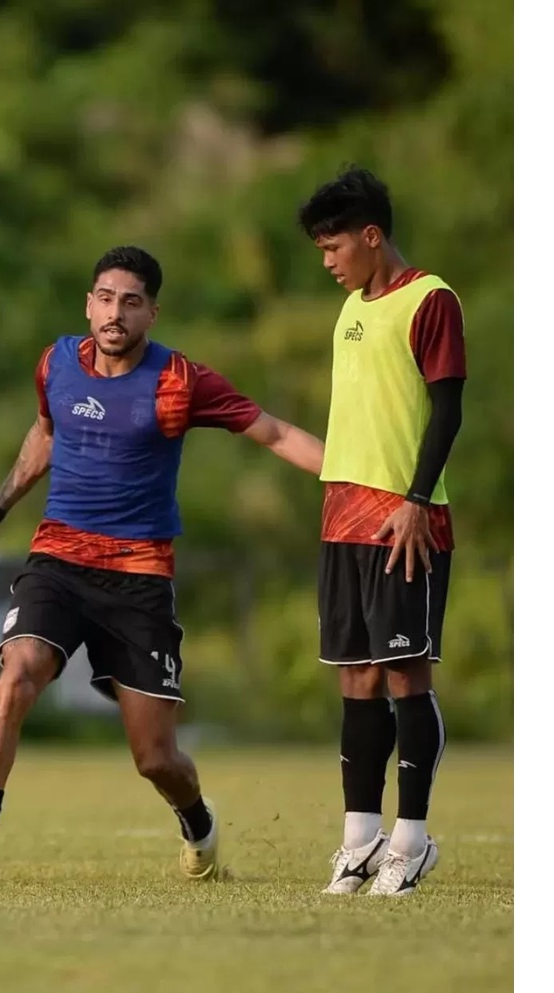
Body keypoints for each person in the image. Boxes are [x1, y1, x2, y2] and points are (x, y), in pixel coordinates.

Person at [0, 245, 325, 887]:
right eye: (106, 299)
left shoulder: (181, 381)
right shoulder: (57, 362)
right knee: (17, 673)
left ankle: (197, 822)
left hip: (139, 577)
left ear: (151, 313)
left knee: (156, 758)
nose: (115, 313)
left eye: (131, 302)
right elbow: (45, 432)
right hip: (57, 560)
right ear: (89, 304)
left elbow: (275, 433)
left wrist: (357, 477)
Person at [298, 167, 466, 896]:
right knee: (356, 675)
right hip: (343, 518)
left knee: (405, 674)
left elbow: (447, 409)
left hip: (406, 520)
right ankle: (359, 839)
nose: (328, 262)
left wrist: (416, 499)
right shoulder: (349, 308)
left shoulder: (431, 300)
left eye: (334, 247)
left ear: (371, 236)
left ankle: (411, 840)